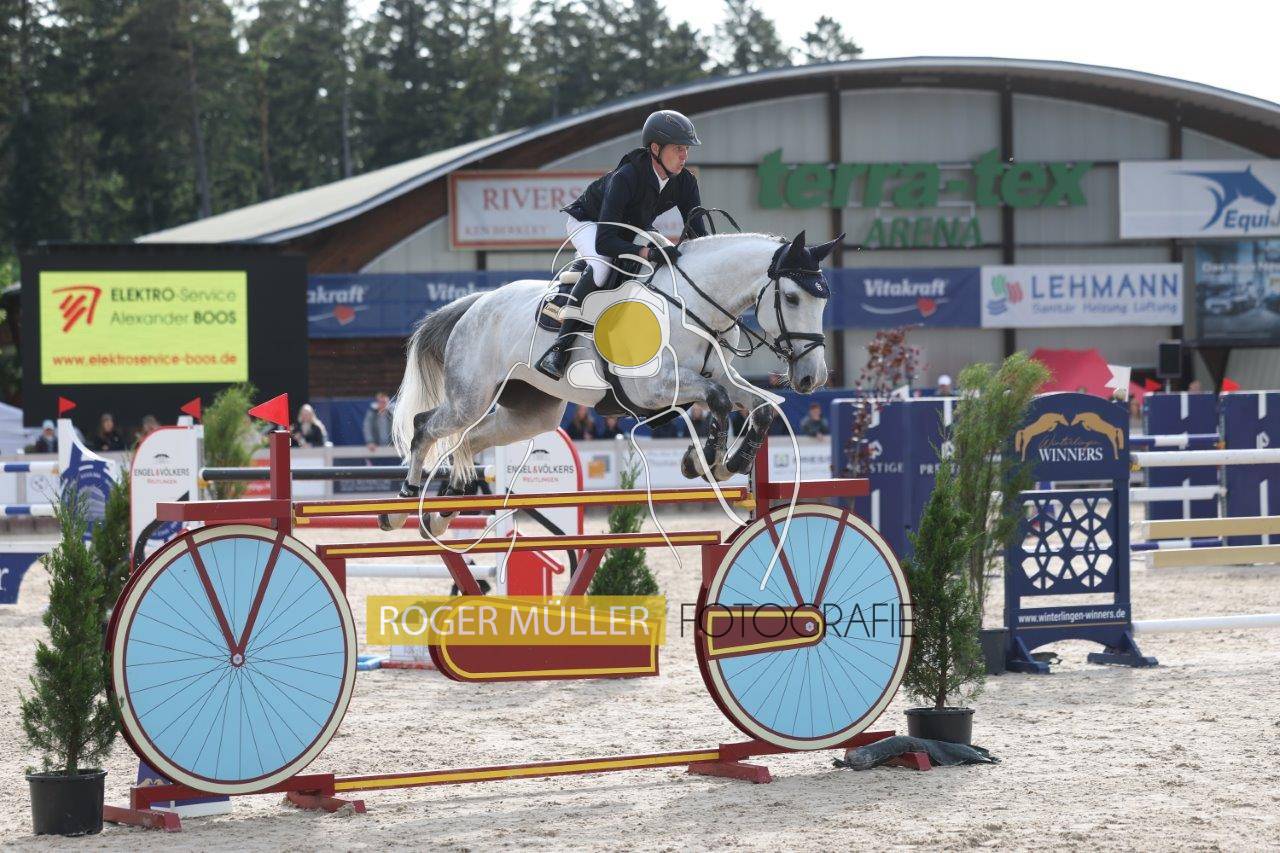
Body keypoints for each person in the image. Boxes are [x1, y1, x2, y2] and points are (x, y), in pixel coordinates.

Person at [536, 109, 709, 380]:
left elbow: (699, 234)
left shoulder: (685, 182)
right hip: (590, 222)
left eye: (686, 149)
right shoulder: (627, 176)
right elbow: (606, 242)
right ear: (655, 149)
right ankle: (560, 348)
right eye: (678, 148)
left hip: (631, 226)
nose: (684, 156)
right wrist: (648, 252)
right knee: (603, 267)